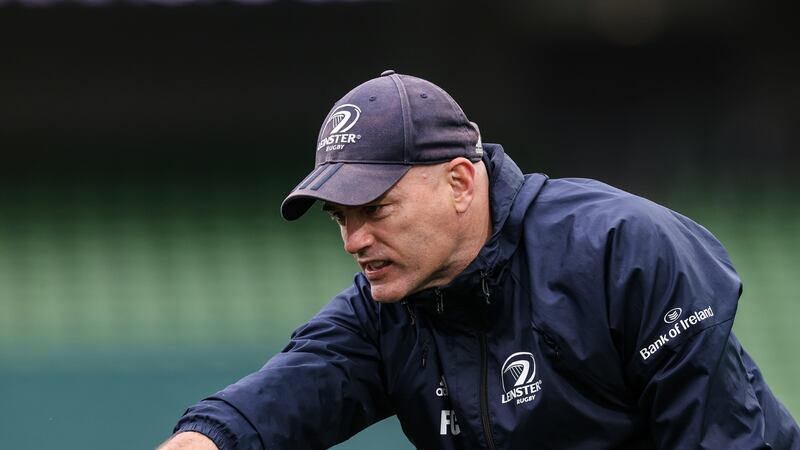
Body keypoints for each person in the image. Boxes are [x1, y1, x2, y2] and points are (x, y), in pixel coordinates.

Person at [160, 70, 800, 449]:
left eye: (375, 209)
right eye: (340, 218)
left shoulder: (623, 251)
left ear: (460, 183)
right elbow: (266, 410)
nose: (354, 240)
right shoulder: (387, 306)